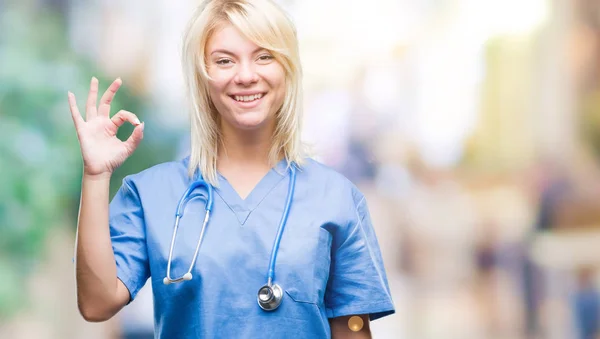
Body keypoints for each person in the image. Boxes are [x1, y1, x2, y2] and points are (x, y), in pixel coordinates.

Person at [69, 0, 395, 338]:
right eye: (224, 61)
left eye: (264, 56)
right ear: (202, 77)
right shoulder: (151, 194)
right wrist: (95, 175)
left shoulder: (336, 198)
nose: (245, 76)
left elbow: (352, 329)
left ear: (288, 68)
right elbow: (96, 304)